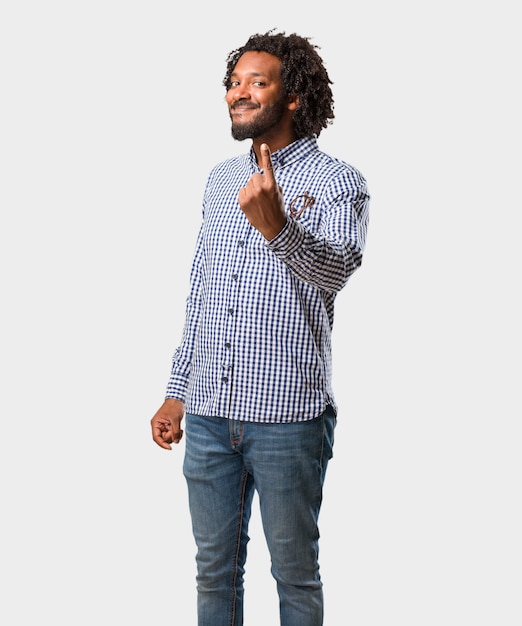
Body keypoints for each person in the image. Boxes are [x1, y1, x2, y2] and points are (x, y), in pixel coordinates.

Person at [150, 29, 370, 626]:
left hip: (288, 419)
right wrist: (177, 389)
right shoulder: (221, 180)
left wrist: (278, 229)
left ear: (292, 95)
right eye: (232, 82)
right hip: (209, 413)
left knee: (294, 573)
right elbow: (202, 292)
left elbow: (337, 269)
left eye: (256, 82)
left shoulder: (336, 180)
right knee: (214, 569)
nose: (236, 94)